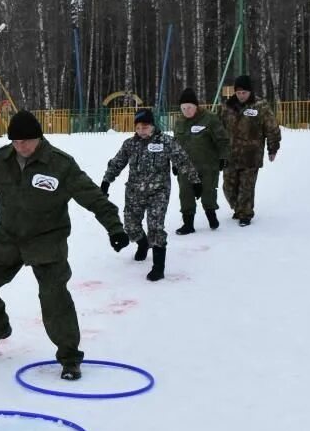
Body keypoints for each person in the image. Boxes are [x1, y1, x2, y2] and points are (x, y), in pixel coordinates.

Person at [0, 110, 128, 381]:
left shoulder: (60, 164)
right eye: (16, 142)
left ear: (38, 137)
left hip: (47, 241)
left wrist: (114, 228)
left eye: (26, 141)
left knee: (54, 298)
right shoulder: (1, 160)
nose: (21, 147)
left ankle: (69, 358)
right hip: (7, 237)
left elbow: (93, 197)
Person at [101, 108, 201, 282]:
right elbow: (117, 163)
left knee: (155, 227)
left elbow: (183, 160)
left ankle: (158, 266)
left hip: (158, 192)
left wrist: (195, 181)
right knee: (130, 226)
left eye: (145, 127)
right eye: (138, 127)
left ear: (153, 126)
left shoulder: (166, 142)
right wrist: (106, 182)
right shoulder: (130, 144)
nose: (141, 131)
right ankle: (142, 243)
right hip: (134, 192)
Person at [219, 75, 280, 226]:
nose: (241, 96)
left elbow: (271, 128)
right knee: (228, 186)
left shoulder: (260, 106)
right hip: (230, 154)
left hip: (251, 154)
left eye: (244, 93)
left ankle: (245, 214)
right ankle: (238, 207)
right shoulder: (226, 106)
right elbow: (218, 129)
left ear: (250, 92)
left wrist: (273, 148)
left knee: (246, 186)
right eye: (238, 93)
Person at [172, 88, 230, 233]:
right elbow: (175, 145)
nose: (186, 111)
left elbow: (222, 139)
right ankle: (188, 224)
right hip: (185, 167)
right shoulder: (179, 122)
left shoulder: (209, 119)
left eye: (189, 107)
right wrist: (174, 163)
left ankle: (211, 215)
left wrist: (223, 157)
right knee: (185, 193)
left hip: (208, 165)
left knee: (208, 193)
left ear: (196, 106)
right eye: (183, 108)